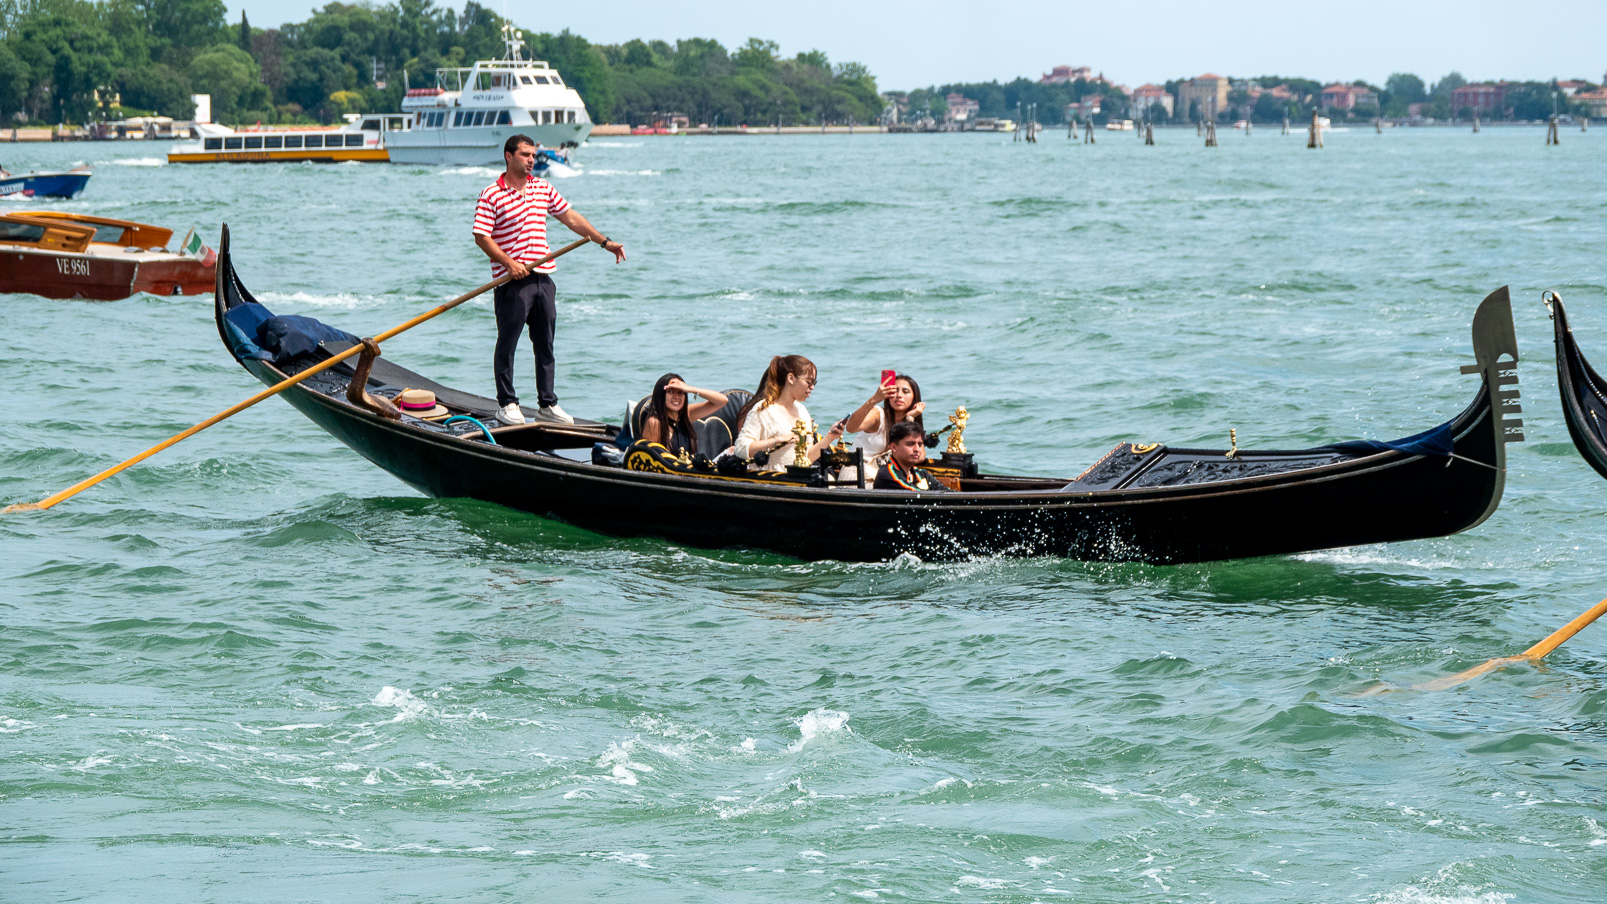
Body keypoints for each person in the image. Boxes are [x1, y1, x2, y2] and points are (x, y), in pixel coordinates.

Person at [473, 134, 625, 426]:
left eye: (533, 155)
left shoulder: (542, 188)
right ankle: (507, 404)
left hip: (544, 279)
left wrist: (605, 242)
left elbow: (570, 218)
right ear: (509, 156)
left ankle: (547, 404)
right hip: (511, 282)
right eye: (525, 154)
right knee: (508, 343)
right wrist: (509, 263)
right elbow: (481, 236)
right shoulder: (491, 193)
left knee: (545, 343)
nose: (531, 159)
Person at [732, 355, 844, 471]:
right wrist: (776, 441)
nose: (812, 388)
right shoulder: (763, 410)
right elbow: (741, 448)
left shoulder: (802, 411)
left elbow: (807, 458)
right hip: (771, 479)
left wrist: (830, 437)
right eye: (808, 382)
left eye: (814, 383)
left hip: (798, 478)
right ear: (791, 378)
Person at [842, 372, 936, 481]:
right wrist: (874, 399)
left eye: (905, 392)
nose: (899, 395)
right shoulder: (877, 414)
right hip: (858, 475)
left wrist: (910, 419)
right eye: (894, 391)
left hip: (885, 478)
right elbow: (850, 428)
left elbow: (919, 457)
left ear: (914, 398)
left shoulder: (910, 422)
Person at [640, 374, 728, 456]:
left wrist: (692, 390)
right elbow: (650, 458)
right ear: (661, 395)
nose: (676, 396)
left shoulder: (687, 414)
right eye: (670, 391)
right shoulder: (654, 423)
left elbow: (722, 401)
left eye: (680, 392)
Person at [875, 421, 949, 492]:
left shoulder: (921, 474)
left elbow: (946, 492)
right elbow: (916, 495)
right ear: (894, 447)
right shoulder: (887, 474)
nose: (917, 449)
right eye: (910, 444)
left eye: (920, 444)